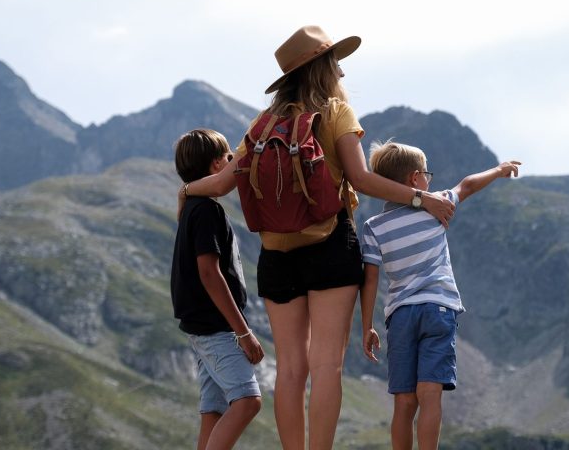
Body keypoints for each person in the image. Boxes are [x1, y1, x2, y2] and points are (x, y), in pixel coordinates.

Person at [178, 25, 455, 450]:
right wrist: (421, 199)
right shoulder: (335, 112)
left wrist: (185, 190)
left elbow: (219, 185)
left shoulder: (262, 124)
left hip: (276, 256)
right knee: (327, 367)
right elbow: (361, 179)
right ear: (322, 69)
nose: (341, 73)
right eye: (336, 64)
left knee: (291, 369)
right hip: (330, 248)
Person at [359, 140, 520, 450]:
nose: (430, 181)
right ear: (415, 179)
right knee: (430, 395)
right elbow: (468, 185)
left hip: (401, 315)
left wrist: (367, 325)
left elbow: (370, 280)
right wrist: (499, 170)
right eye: (427, 174)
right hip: (438, 310)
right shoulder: (437, 205)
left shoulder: (373, 227)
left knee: (404, 402)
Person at [171, 128, 265, 450]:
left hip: (201, 329)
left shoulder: (192, 210)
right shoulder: (208, 211)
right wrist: (243, 332)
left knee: (213, 411)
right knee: (248, 401)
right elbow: (209, 274)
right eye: (229, 159)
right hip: (217, 328)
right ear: (216, 166)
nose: (234, 164)